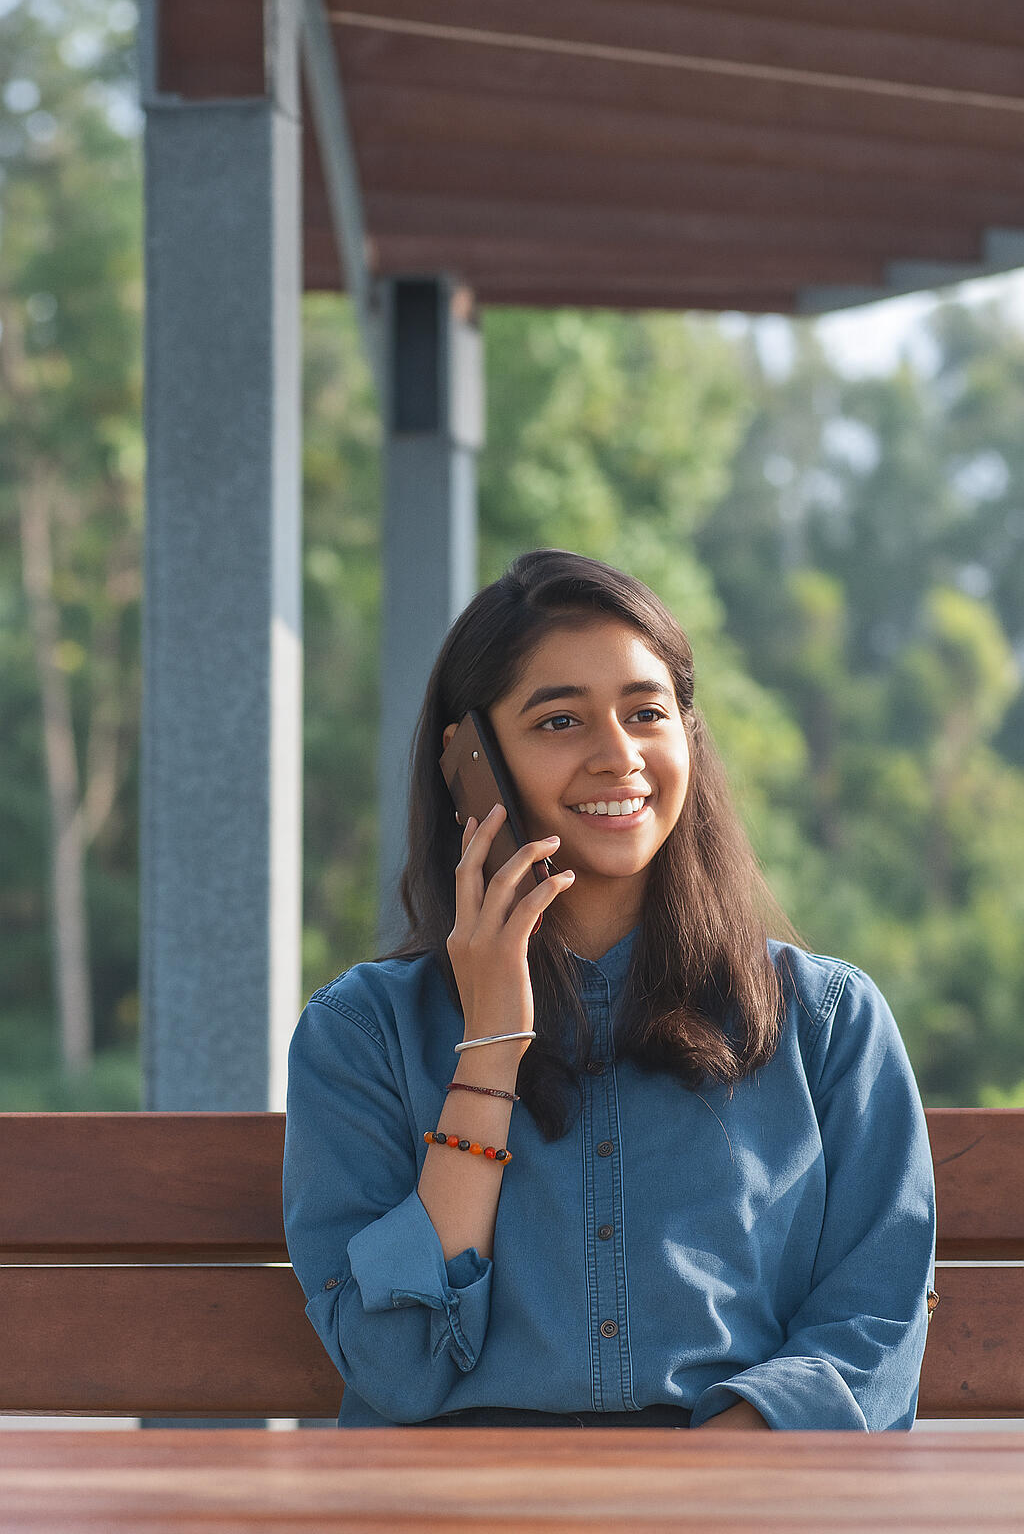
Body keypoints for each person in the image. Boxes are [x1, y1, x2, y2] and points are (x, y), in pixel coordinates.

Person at [283, 548, 937, 1430]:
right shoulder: (359, 1034)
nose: (618, 757)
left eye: (646, 713)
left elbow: (875, 1323)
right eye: (559, 721)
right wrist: (488, 1050)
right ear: (470, 761)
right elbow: (396, 1369)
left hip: (737, 1507)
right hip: (458, 1515)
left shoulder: (827, 1022)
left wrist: (692, 1494)